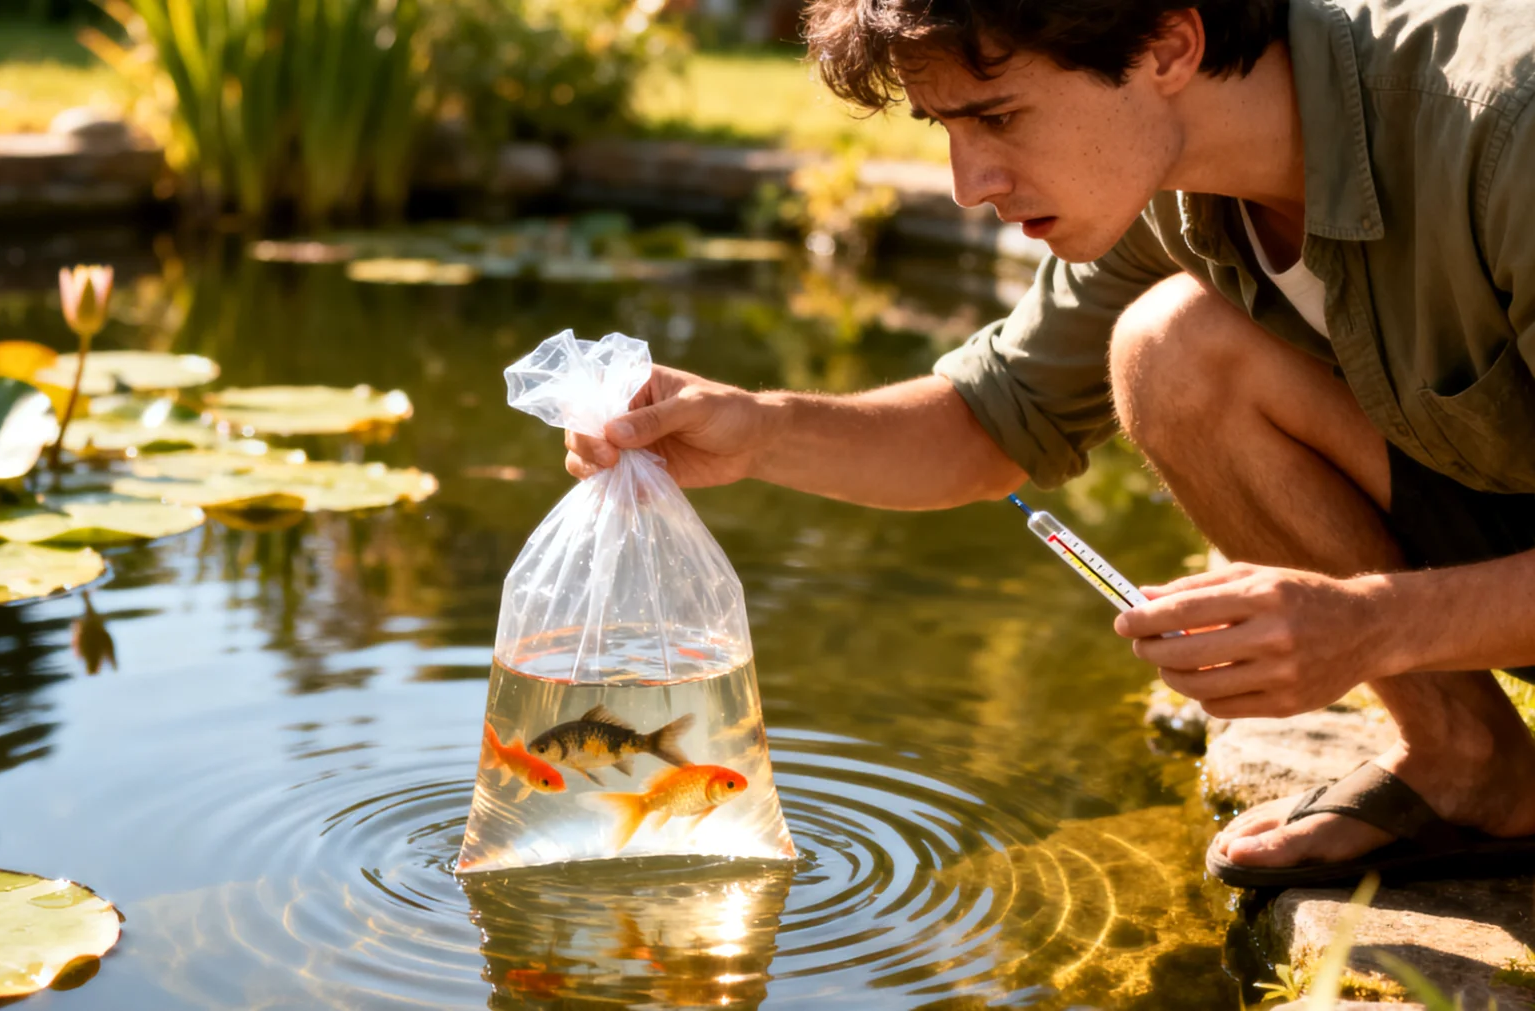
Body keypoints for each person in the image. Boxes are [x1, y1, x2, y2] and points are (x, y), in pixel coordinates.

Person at [564, 0, 1535, 887]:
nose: (966, 185)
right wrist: (758, 430)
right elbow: (986, 428)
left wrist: (1375, 622)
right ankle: (1471, 767)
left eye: (997, 116)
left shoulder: (1507, 123)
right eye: (942, 127)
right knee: (1174, 351)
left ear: (1168, 43)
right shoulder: (1164, 180)